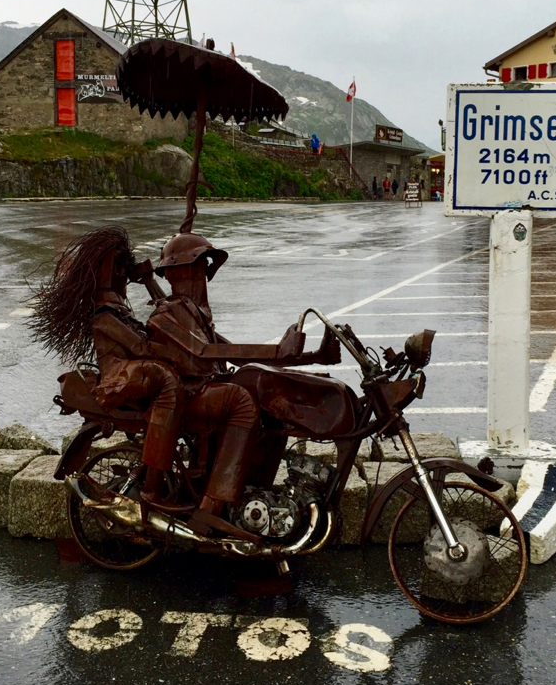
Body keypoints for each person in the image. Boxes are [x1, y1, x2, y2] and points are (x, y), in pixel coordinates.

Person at [146, 233, 340, 535]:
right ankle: (211, 508)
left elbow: (231, 352)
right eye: (198, 268)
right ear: (179, 272)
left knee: (273, 409)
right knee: (242, 403)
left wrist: (314, 357)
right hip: (185, 394)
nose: (203, 276)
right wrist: (279, 350)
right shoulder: (165, 315)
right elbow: (203, 351)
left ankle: (252, 500)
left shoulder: (196, 313)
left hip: (206, 388)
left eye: (204, 269)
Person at [29, 227, 186, 516]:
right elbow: (143, 348)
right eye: (121, 268)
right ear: (108, 272)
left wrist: (150, 280)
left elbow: (170, 318)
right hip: (122, 379)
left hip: (137, 375)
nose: (126, 275)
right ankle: (150, 493)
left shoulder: (119, 312)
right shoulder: (104, 315)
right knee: (170, 382)